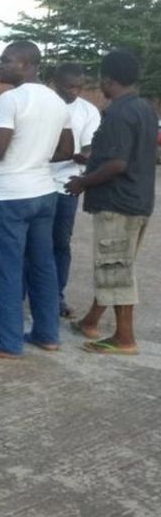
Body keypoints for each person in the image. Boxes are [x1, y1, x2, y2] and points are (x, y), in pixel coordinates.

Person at [0, 41, 74, 359]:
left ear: (28, 65)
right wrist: (36, 157)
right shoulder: (58, 101)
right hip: (44, 193)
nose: (0, 65)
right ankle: (47, 335)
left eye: (7, 60)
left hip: (10, 196)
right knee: (43, 266)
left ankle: (7, 342)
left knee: (7, 269)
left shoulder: (11, 98)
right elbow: (66, 150)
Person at [65, 50, 157, 356]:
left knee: (116, 270)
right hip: (138, 199)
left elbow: (117, 164)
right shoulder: (145, 109)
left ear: (107, 79)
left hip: (118, 203)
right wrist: (90, 160)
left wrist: (82, 182)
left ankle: (124, 338)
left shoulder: (118, 113)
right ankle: (91, 320)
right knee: (115, 264)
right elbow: (127, 153)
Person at [46, 63, 101, 319]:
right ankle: (22, 294)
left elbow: (90, 147)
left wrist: (85, 156)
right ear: (55, 82)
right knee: (31, 243)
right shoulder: (41, 104)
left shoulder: (88, 111)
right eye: (70, 87)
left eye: (79, 87)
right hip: (35, 183)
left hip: (66, 185)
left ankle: (56, 297)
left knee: (60, 243)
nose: (75, 92)